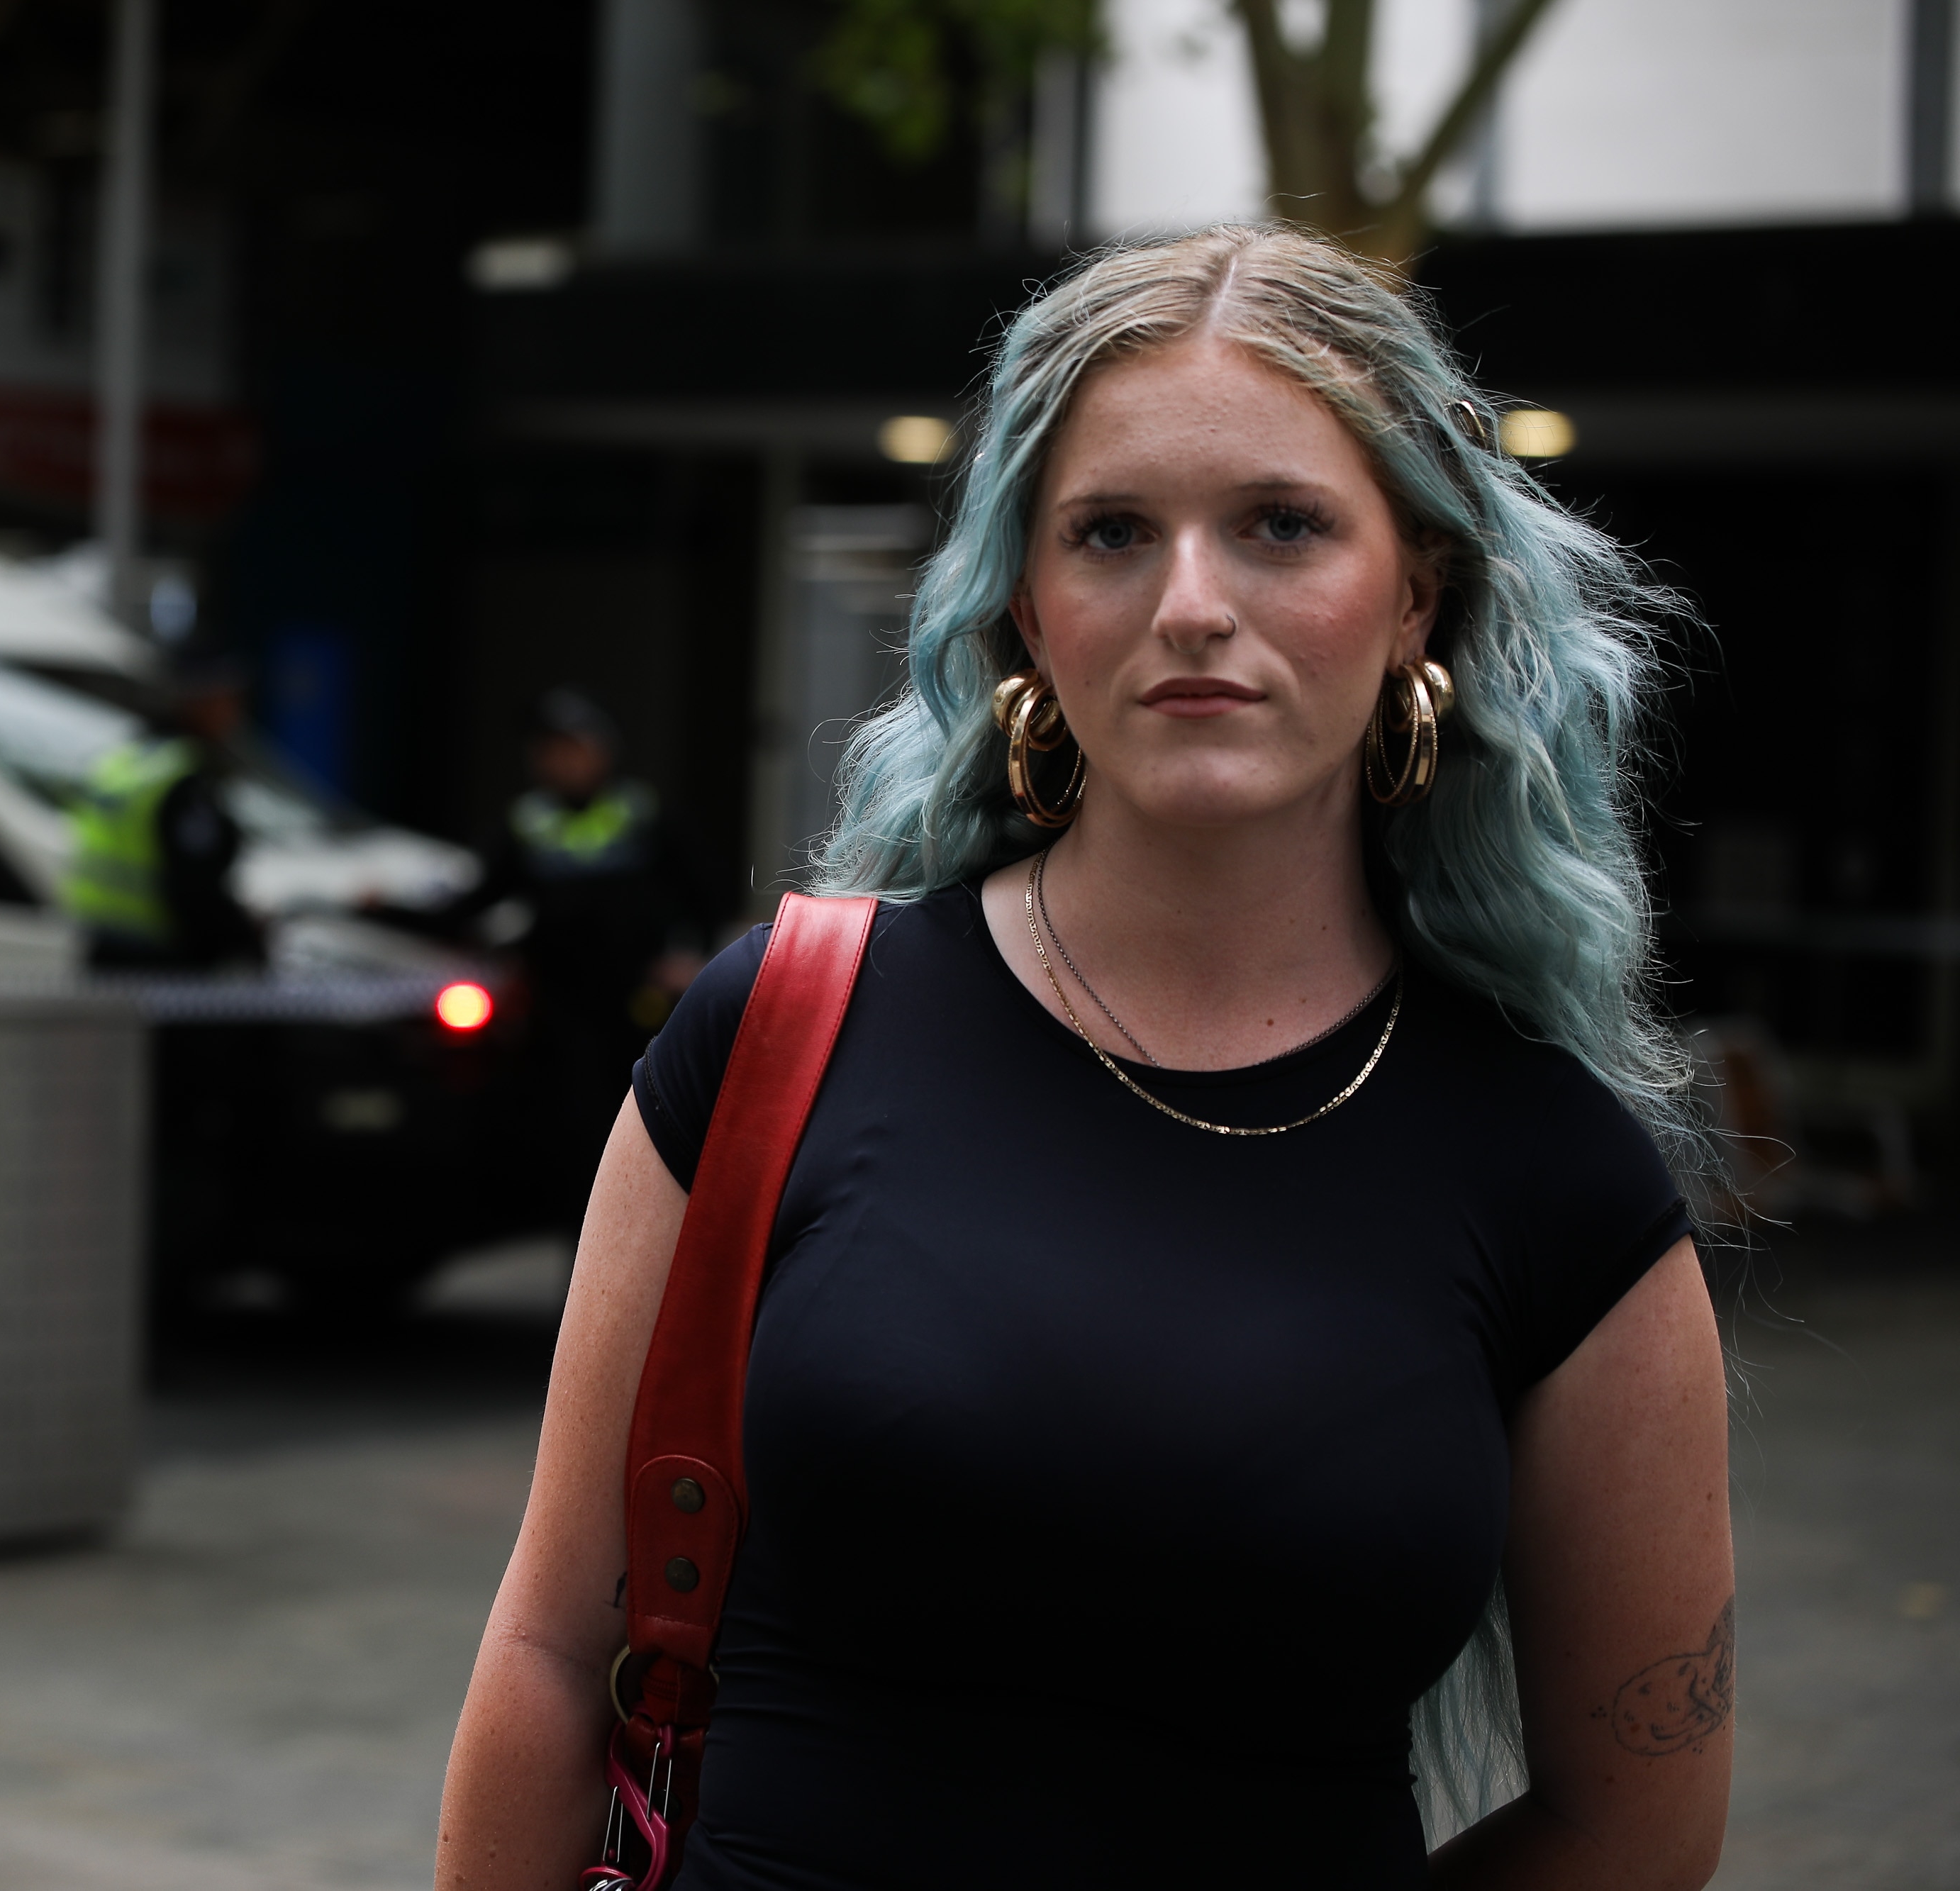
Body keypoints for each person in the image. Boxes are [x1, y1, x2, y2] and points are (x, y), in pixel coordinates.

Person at [437, 227, 1733, 1889]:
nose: (1192, 606)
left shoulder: (1557, 1180)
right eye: (1111, 533)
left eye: (1280, 526)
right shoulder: (784, 1033)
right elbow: (555, 1646)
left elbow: (1635, 1832)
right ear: (1030, 608)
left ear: (1414, 589)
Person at [471, 688, 713, 1226]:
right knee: (571, 1140)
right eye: (546, 749)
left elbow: (703, 895)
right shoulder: (526, 822)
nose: (557, 761)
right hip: (558, 1008)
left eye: (570, 747)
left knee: (638, 1126)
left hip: (635, 1006)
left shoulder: (644, 814)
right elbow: (475, 901)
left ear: (602, 751)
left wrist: (689, 958)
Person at [65, 650, 265, 969]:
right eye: (229, 700)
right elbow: (195, 889)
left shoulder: (125, 759)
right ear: (203, 702)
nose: (234, 714)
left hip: (104, 948)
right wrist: (246, 942)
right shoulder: (182, 777)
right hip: (162, 962)